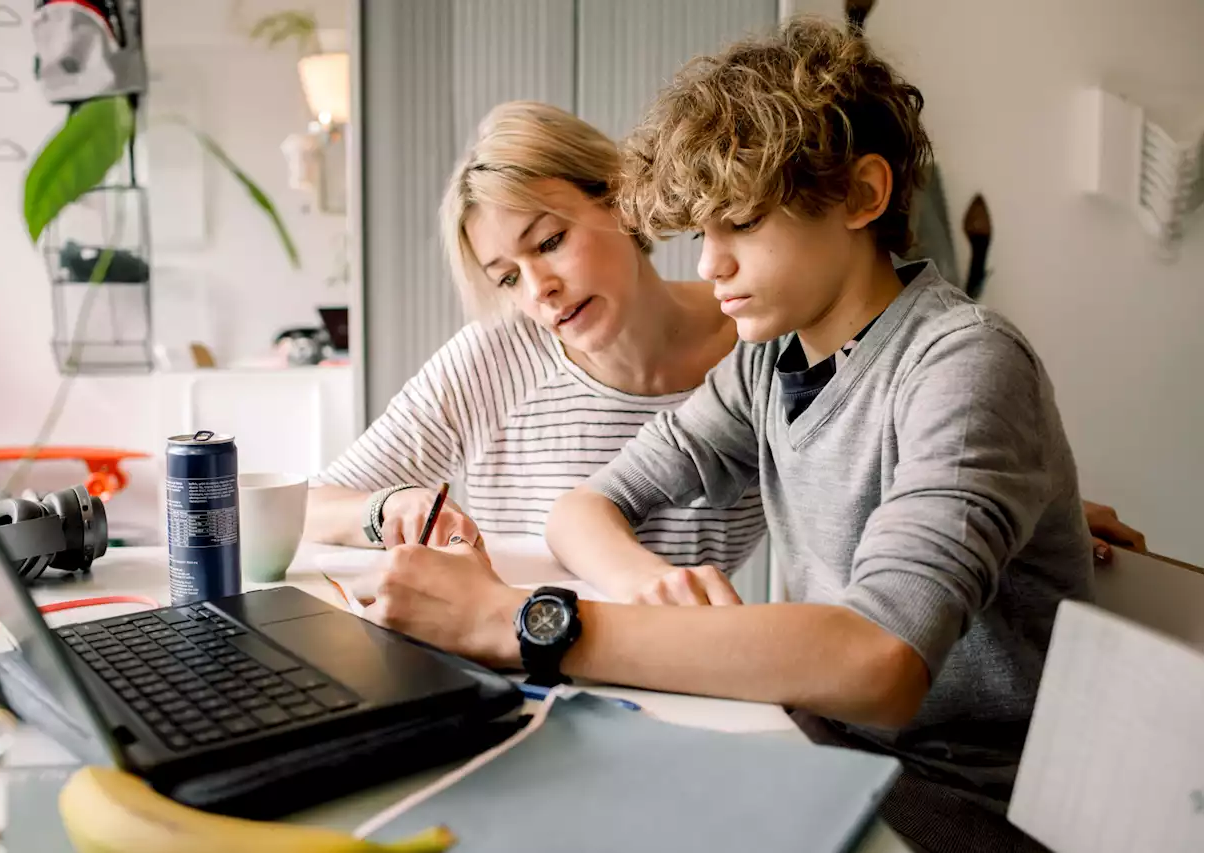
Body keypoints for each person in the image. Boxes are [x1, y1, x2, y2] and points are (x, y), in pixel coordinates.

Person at [355, 19, 1130, 852]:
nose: (708, 266)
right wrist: (648, 585)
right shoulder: (768, 362)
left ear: (863, 196)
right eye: (702, 233)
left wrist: (519, 621)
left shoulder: (967, 361)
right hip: (815, 740)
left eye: (742, 224)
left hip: (958, 793)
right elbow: (587, 504)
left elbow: (876, 661)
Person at [305, 101, 767, 578]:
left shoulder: (759, 342)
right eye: (507, 279)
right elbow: (309, 508)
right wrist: (385, 509)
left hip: (692, 647)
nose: (538, 289)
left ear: (618, 196)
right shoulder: (492, 361)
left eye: (549, 242)